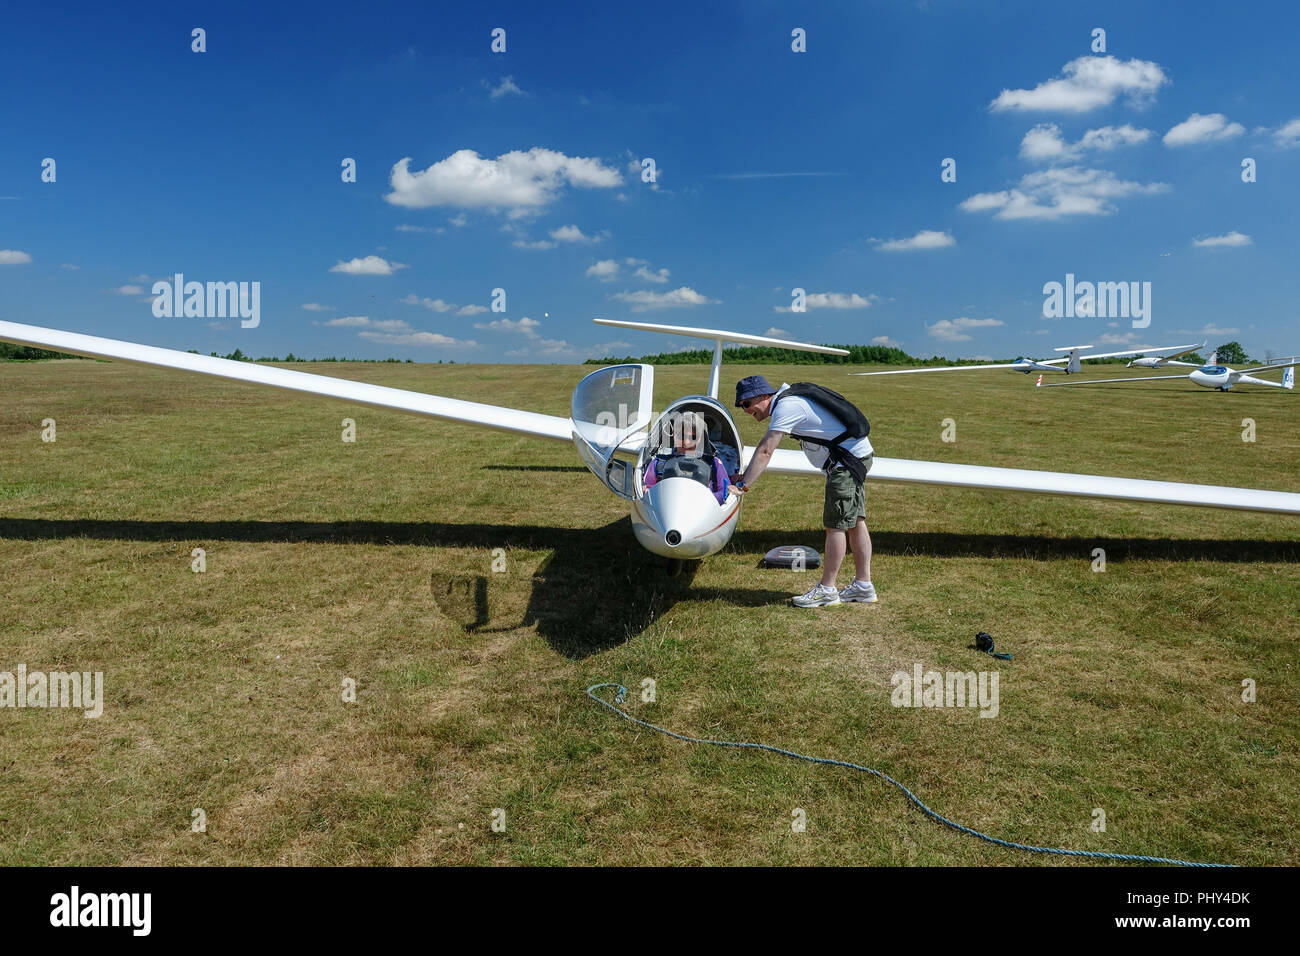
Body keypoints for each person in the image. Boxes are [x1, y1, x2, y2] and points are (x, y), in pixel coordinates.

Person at [732, 375, 877, 608]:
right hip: (854, 459)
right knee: (854, 522)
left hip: (846, 464)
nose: (746, 410)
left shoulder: (786, 407)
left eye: (746, 404)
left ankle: (827, 590)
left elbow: (766, 450)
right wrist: (744, 476)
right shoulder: (790, 401)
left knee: (836, 526)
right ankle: (863, 586)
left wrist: (743, 485)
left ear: (762, 395)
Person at [643, 411, 731, 505]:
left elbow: (725, 492)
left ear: (700, 437)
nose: (686, 442)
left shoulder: (714, 464)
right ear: (673, 434)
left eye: (693, 437)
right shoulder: (658, 464)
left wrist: (700, 500)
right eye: (681, 436)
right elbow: (647, 489)